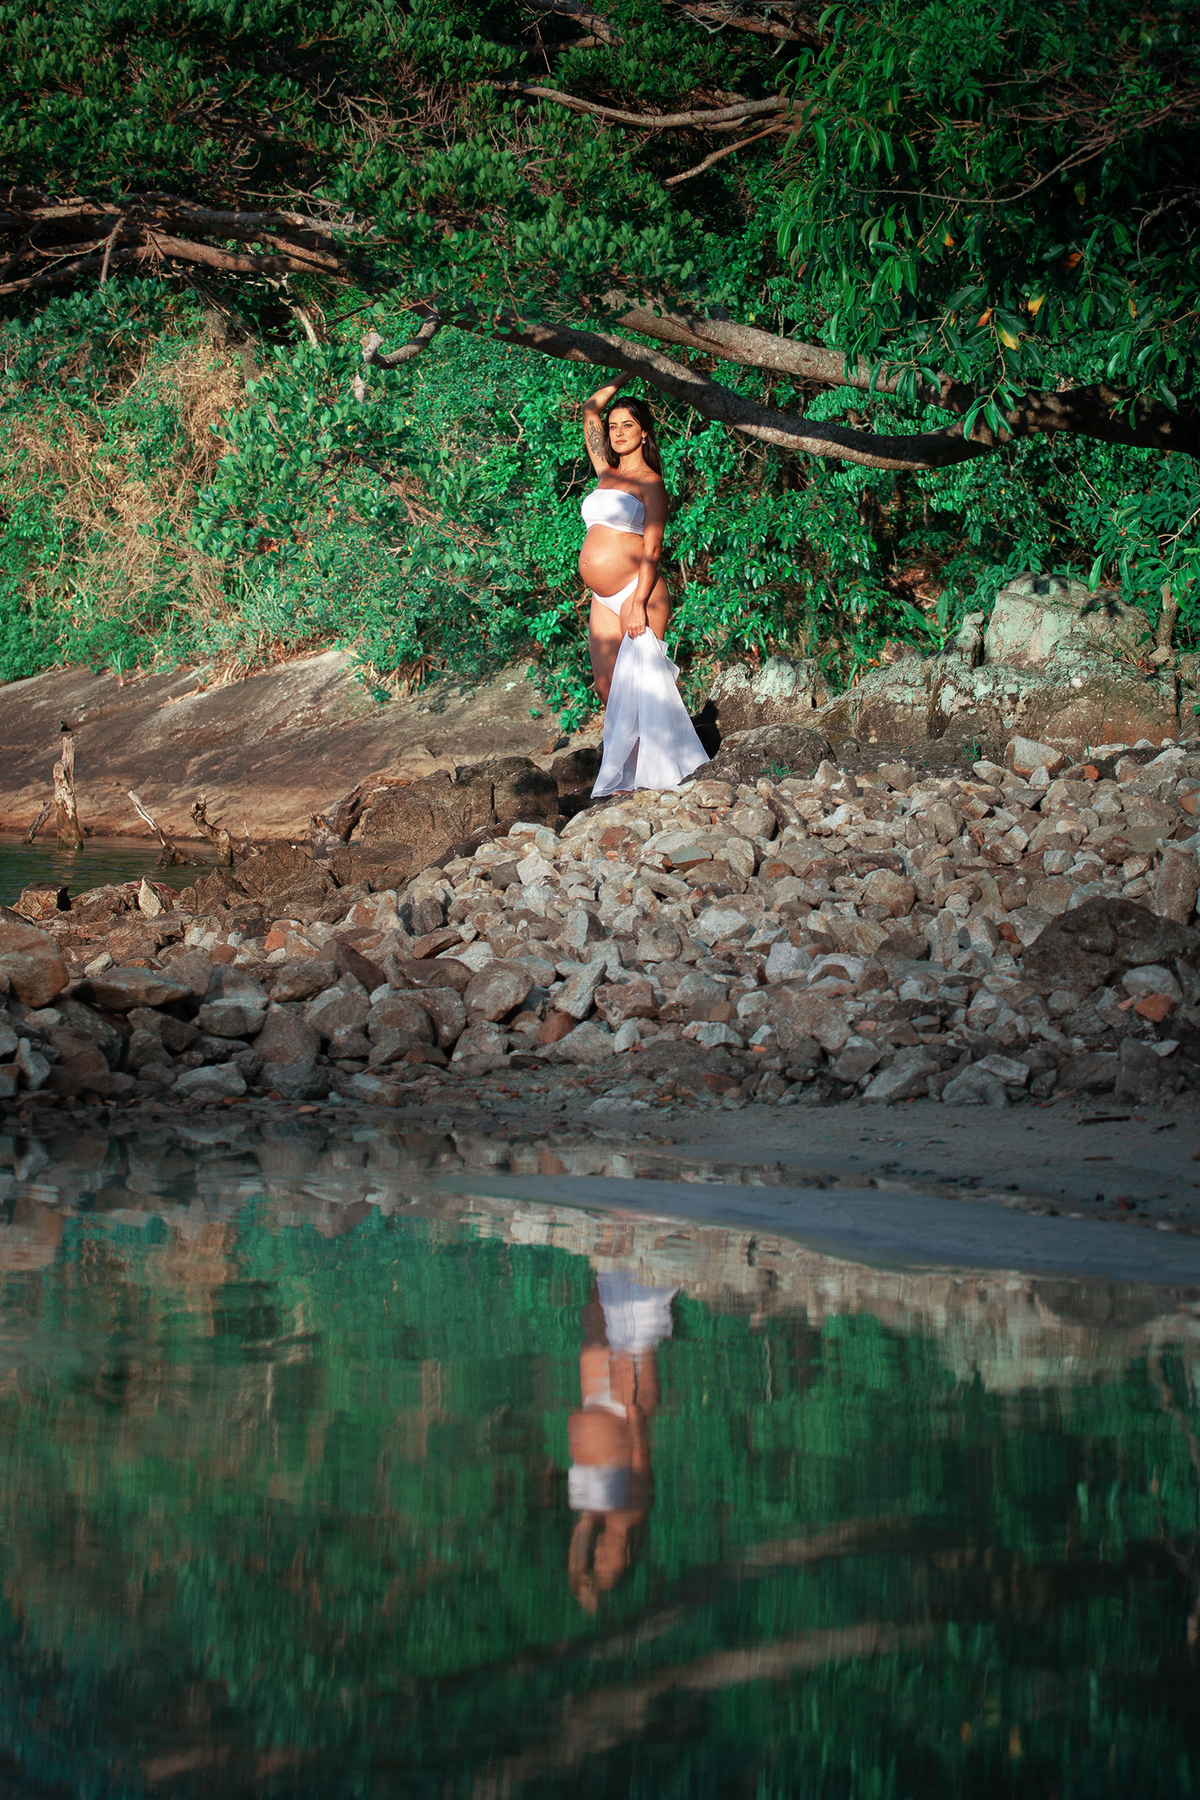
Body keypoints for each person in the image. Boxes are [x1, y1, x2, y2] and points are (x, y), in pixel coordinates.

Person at [579, 379, 708, 797]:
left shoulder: (650, 482)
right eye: (614, 426)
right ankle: (633, 772)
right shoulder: (606, 472)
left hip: (640, 591)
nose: (616, 432)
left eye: (627, 425)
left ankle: (667, 776)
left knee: (647, 685)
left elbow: (654, 546)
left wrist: (636, 602)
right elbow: (589, 410)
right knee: (606, 685)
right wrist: (625, 367)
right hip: (604, 596)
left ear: (644, 432)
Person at [566, 1270, 678, 1613]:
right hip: (623, 1402)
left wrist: (578, 1577)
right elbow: (640, 1457)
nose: (599, 1556)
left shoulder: (597, 1515)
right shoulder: (632, 1512)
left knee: (596, 1312)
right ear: (627, 1557)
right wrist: (631, 1407)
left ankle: (608, 1247)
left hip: (596, 1397)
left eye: (595, 1561)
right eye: (607, 1564)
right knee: (636, 1318)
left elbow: (581, 1532)